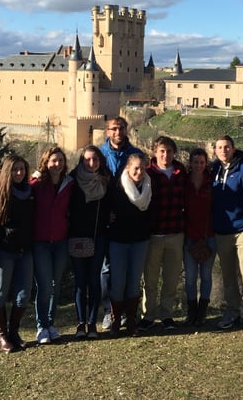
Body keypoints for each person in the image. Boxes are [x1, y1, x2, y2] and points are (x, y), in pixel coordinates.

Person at [0, 154, 35, 352]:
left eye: (22, 169)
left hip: (25, 252)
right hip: (3, 253)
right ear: (7, 171)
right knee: (0, 293)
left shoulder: (29, 193)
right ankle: (2, 336)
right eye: (15, 169)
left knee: (23, 294)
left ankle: (14, 332)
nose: (19, 173)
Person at [211, 135, 243, 332]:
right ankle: (232, 312)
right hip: (222, 232)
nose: (223, 150)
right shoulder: (214, 169)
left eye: (227, 147)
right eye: (219, 147)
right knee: (228, 277)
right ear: (215, 150)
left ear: (233, 149)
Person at [99, 117, 144, 331]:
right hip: (107, 219)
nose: (118, 132)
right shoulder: (100, 155)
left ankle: (128, 314)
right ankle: (110, 311)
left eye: (121, 128)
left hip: (131, 221)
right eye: (114, 129)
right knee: (107, 269)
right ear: (107, 131)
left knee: (130, 272)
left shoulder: (136, 154)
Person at [139, 136, 187, 330]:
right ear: (154, 152)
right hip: (154, 234)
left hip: (175, 233)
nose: (165, 155)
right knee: (150, 279)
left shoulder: (180, 172)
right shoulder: (148, 173)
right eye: (161, 151)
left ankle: (167, 315)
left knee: (171, 278)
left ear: (173, 152)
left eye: (168, 151)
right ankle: (148, 315)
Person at [68, 145, 112, 340]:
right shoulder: (72, 180)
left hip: (98, 237)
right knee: (80, 282)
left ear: (100, 160)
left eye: (95, 159)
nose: (92, 163)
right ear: (81, 161)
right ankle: (80, 323)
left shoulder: (106, 180)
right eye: (87, 160)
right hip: (77, 237)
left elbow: (113, 204)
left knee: (94, 280)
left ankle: (92, 323)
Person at [31, 146, 73, 345]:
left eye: (60, 161)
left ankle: (50, 324)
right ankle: (41, 326)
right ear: (46, 163)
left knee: (55, 285)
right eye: (53, 161)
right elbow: (23, 190)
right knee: (45, 286)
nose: (57, 164)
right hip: (40, 243)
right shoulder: (38, 184)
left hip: (60, 241)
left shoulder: (69, 184)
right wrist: (35, 175)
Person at [108, 152, 152, 337]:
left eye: (142, 168)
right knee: (118, 283)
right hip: (118, 241)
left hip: (140, 241)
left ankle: (131, 321)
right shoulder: (117, 186)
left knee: (134, 282)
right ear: (128, 168)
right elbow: (107, 208)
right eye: (136, 168)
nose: (139, 171)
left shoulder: (149, 186)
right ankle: (116, 320)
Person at [183, 147, 216, 326]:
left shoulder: (211, 182)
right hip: (189, 236)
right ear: (191, 163)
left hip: (208, 235)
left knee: (206, 275)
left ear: (206, 164)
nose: (198, 165)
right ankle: (191, 311)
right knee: (189, 277)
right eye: (195, 162)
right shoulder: (184, 182)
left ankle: (202, 312)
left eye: (202, 162)